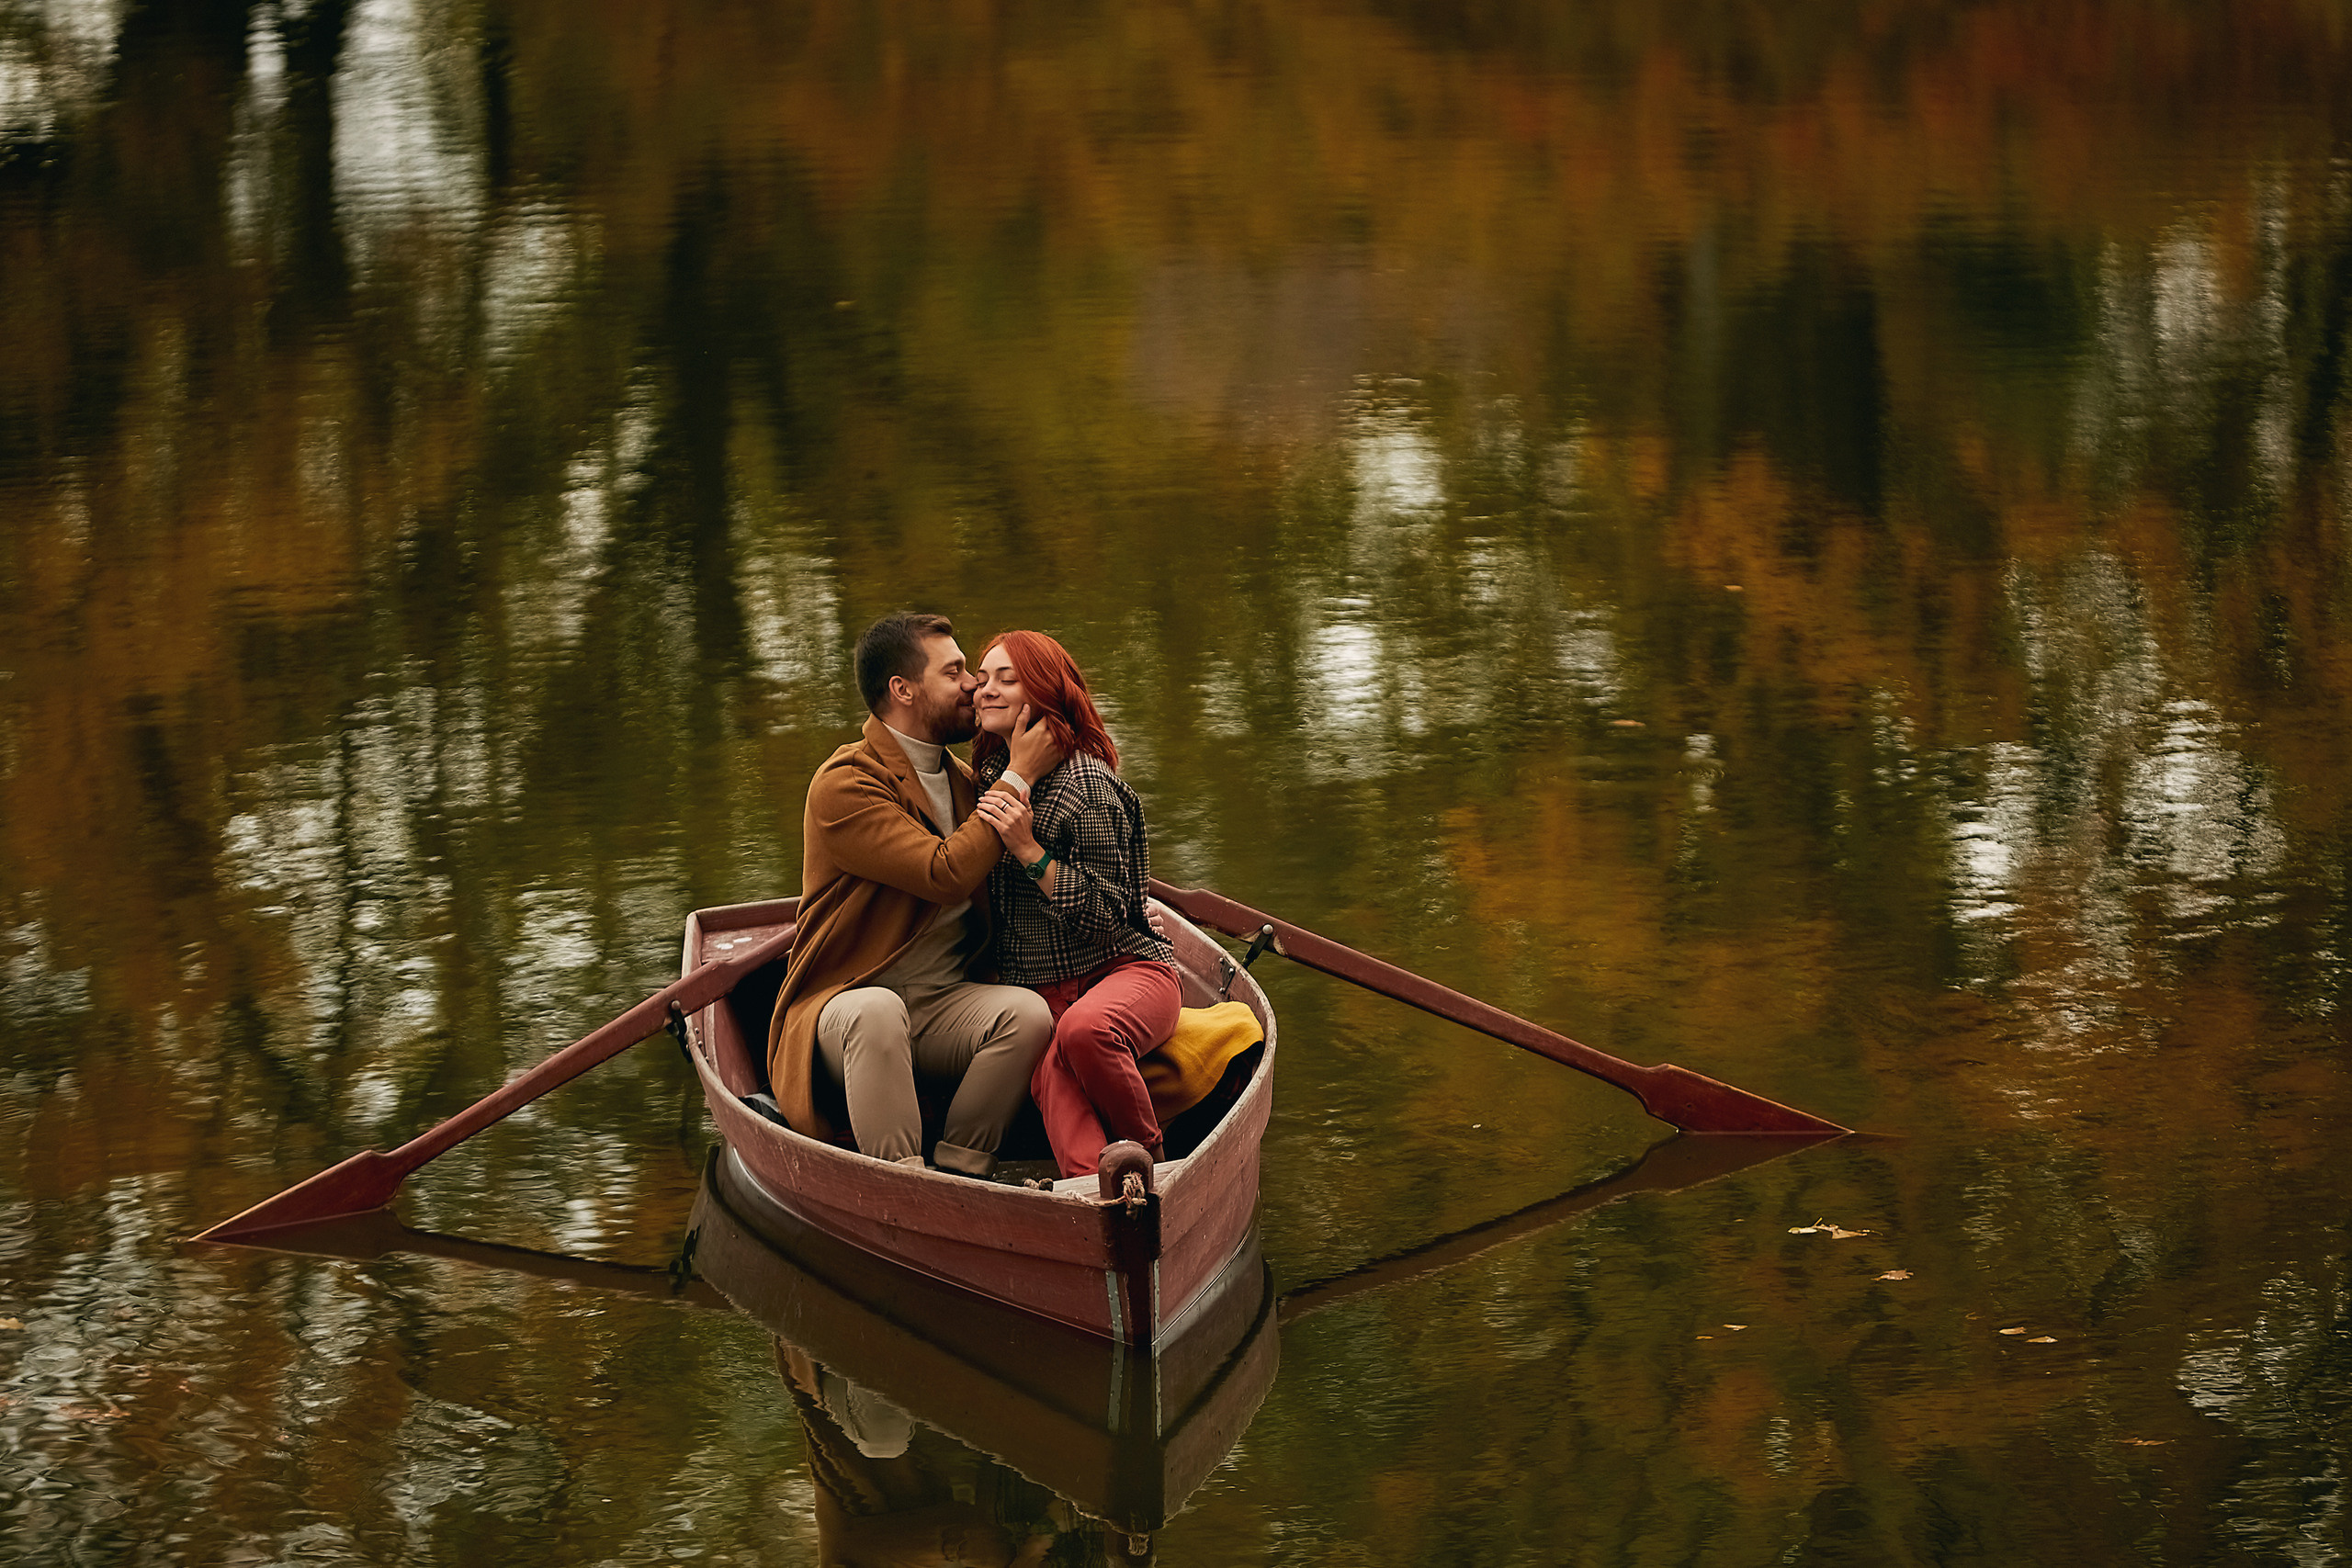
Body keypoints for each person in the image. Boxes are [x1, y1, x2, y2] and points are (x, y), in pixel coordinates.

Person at [765, 612, 1066, 1177]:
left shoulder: (961, 778)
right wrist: (1019, 775)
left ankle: (961, 1169)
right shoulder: (846, 783)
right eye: (955, 672)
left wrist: (1117, 899)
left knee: (1026, 1015)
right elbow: (944, 873)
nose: (974, 686)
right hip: (847, 1004)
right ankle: (903, 1181)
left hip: (938, 1004)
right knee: (877, 1012)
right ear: (902, 690)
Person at [967, 631, 1182, 1179]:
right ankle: (1101, 1195)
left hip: (1128, 969)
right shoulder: (991, 778)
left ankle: (1150, 1158)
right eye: (982, 678)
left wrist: (1029, 851)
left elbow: (1109, 920)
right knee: (1049, 1073)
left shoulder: (1086, 785)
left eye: (1005, 680)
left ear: (1042, 693)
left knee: (1085, 1029)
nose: (984, 690)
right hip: (1041, 995)